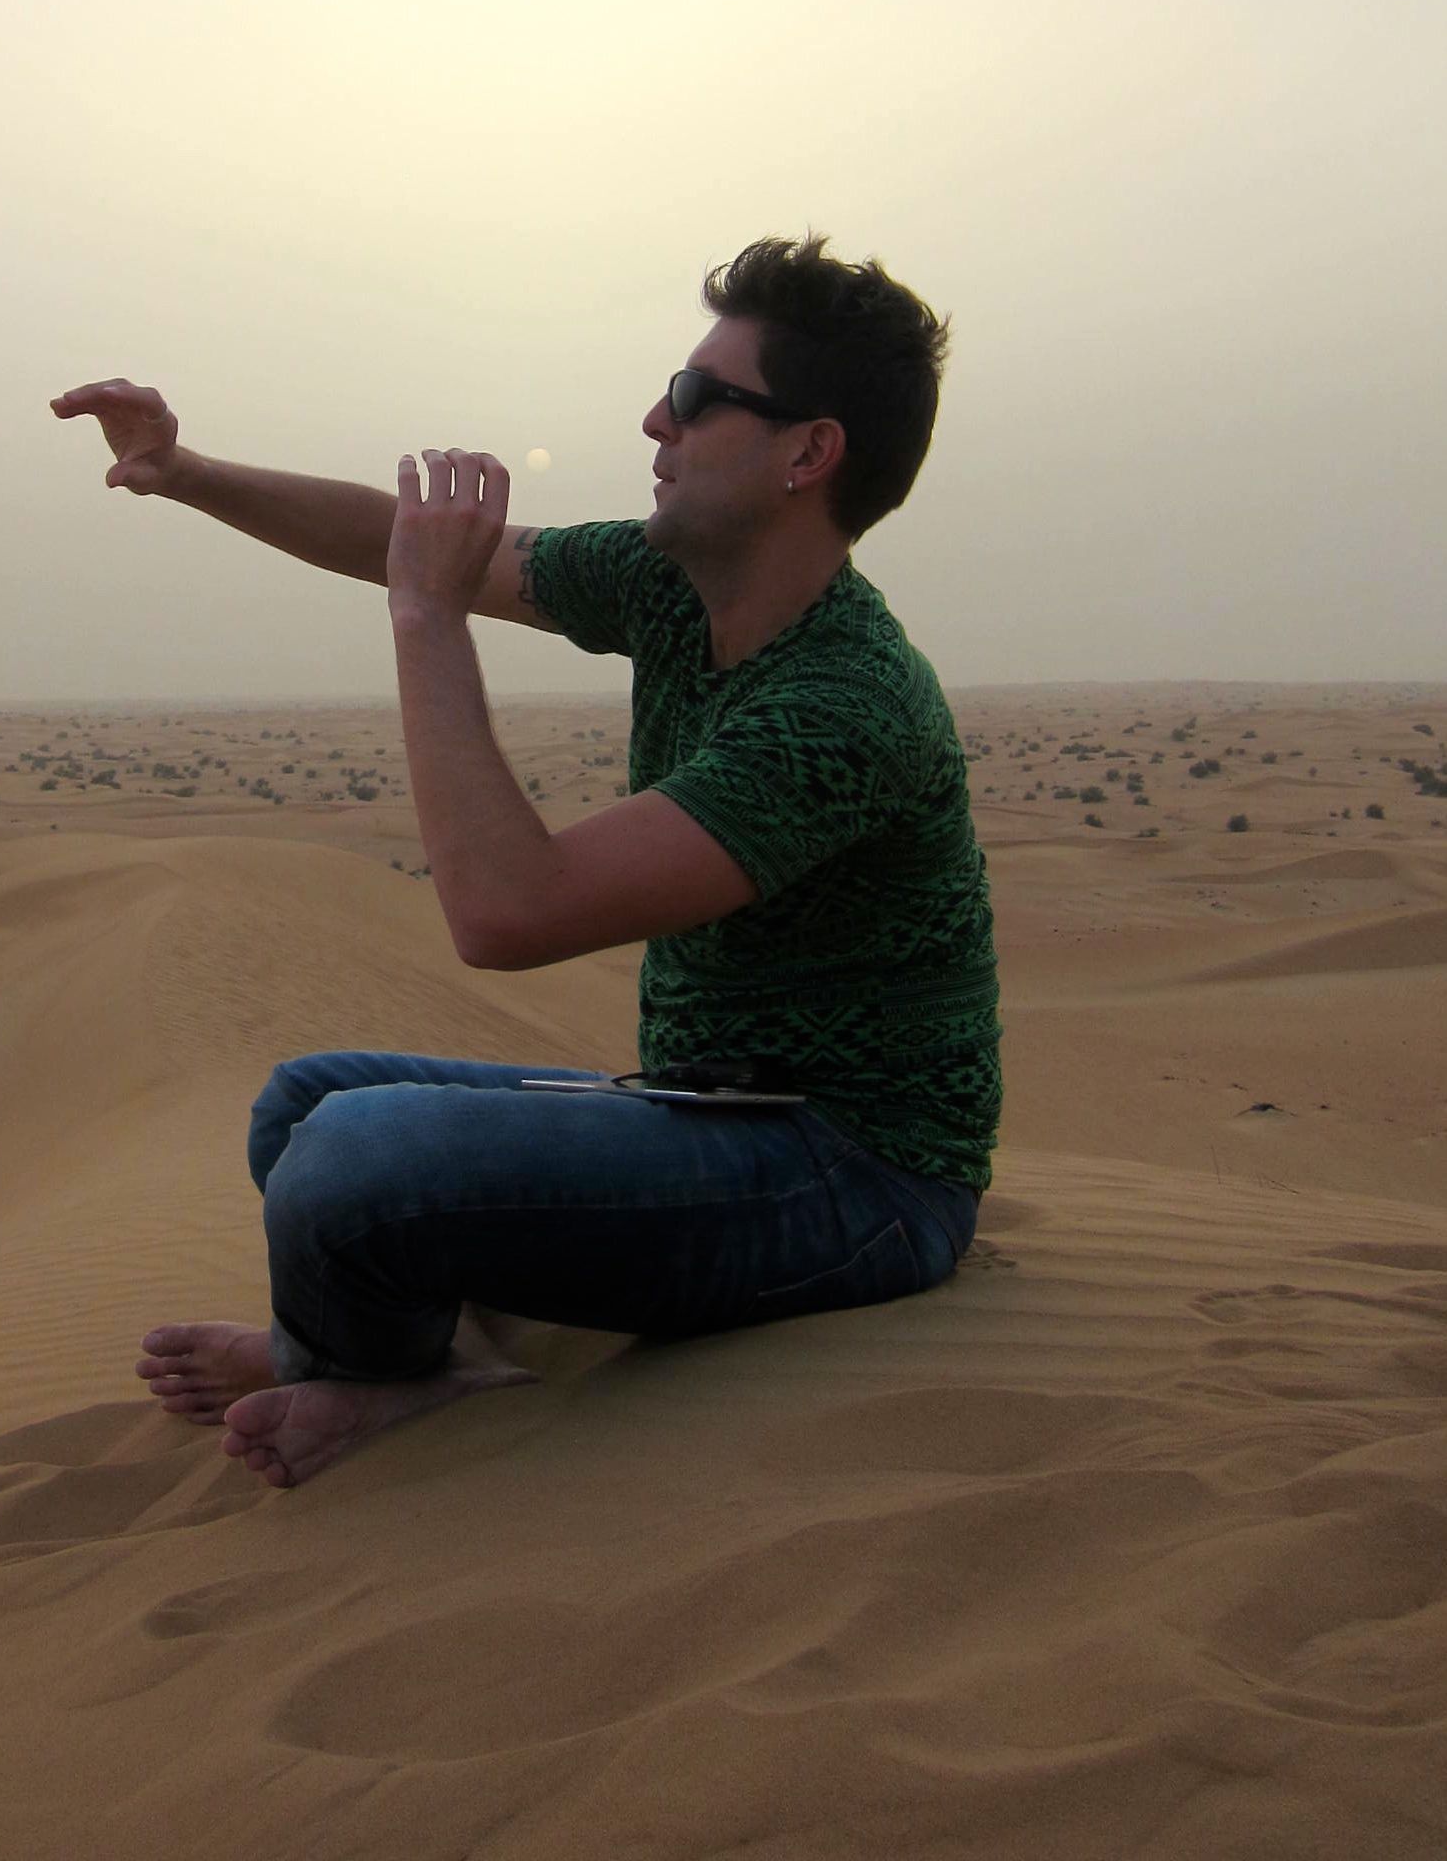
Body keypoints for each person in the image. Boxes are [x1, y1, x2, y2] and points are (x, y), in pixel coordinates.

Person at [50, 232, 1000, 1491]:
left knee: (350, 1164)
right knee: (304, 1105)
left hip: (858, 1182)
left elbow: (504, 913)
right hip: (710, 1111)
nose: (656, 420)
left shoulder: (844, 705)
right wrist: (184, 473)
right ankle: (391, 1347)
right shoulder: (671, 587)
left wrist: (426, 619)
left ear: (806, 452)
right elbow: (404, 537)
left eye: (697, 396)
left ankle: (377, 1369)